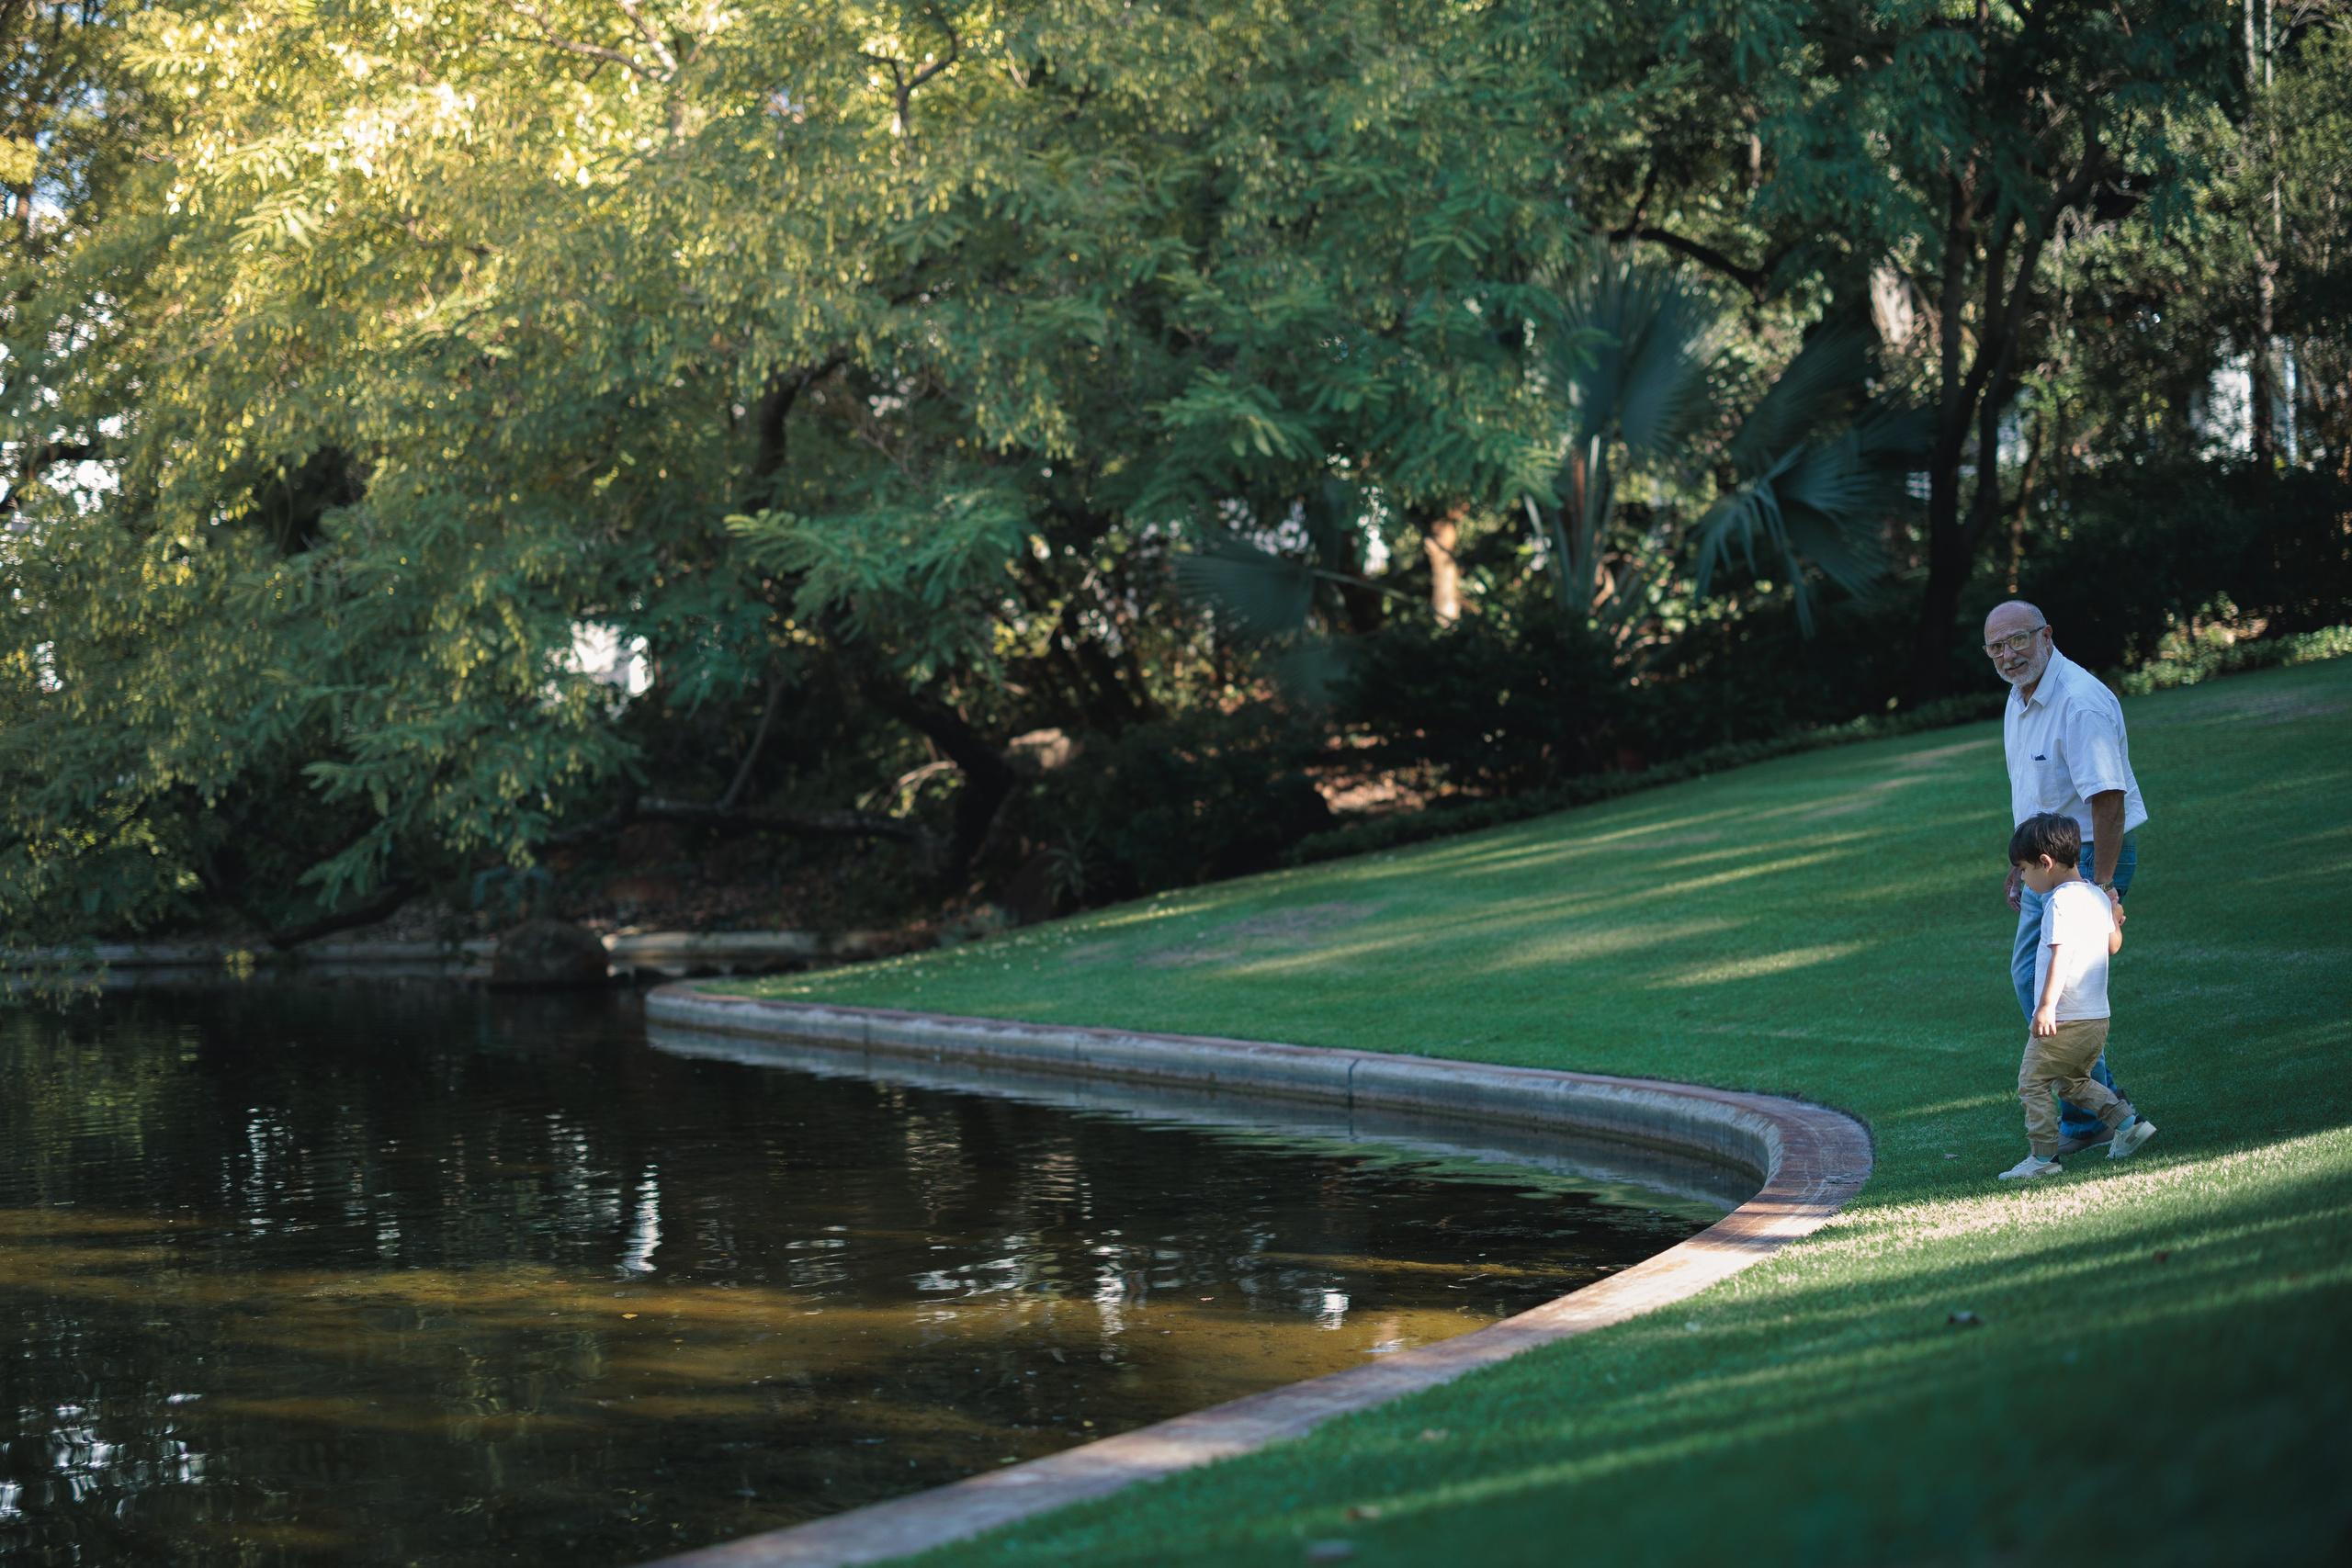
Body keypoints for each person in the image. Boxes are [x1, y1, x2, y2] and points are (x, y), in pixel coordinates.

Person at [1984, 599, 2146, 1155]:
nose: (2008, 655)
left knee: (2055, 983)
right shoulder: (2020, 694)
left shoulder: (2079, 703)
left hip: (2089, 857)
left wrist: (2098, 889)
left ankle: (2092, 1115)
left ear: (2046, 635)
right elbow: (2037, 791)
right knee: (2038, 978)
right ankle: (2091, 1111)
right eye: (1996, 647)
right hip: (2047, 859)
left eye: (2018, 641)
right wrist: (2021, 862)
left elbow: (2107, 799)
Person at [1999, 813, 2157, 1179]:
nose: (2023, 879)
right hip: (2096, 1018)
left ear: (2046, 863)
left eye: (2024, 870)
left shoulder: (2059, 902)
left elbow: (2062, 954)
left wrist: (2046, 1008)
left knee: (2032, 1082)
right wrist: (2114, 918)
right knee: (2073, 1083)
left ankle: (2042, 1160)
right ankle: (2129, 1124)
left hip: (2065, 1017)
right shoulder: (2095, 894)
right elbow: (2112, 947)